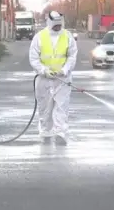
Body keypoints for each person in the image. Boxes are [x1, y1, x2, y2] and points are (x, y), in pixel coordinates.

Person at [28, 11, 78, 145]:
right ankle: (46, 132)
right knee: (45, 108)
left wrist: (65, 70)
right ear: (49, 23)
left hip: (62, 79)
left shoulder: (67, 36)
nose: (57, 27)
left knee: (62, 107)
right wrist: (43, 70)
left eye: (59, 25)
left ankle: (61, 133)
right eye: (55, 25)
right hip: (44, 79)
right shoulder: (40, 37)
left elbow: (72, 56)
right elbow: (33, 58)